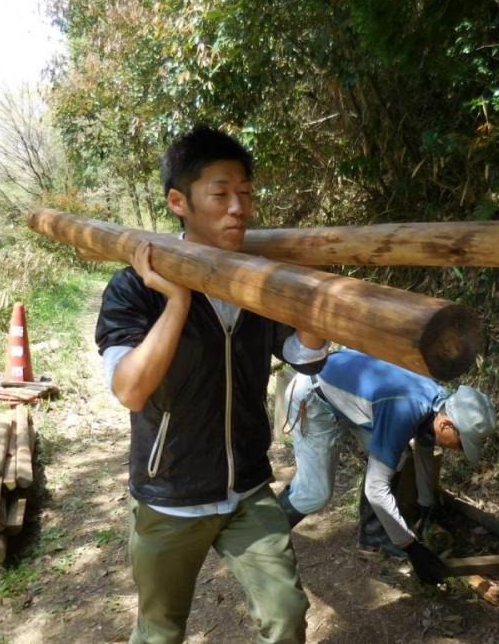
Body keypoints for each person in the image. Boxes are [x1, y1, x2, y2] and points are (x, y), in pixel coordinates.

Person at [95, 125, 328, 644]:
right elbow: (130, 389)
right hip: (170, 495)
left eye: (245, 193)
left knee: (287, 614)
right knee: (159, 631)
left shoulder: (258, 278)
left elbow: (303, 355)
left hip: (247, 488)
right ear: (179, 201)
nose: (238, 208)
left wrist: (310, 294)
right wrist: (177, 301)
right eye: (220, 194)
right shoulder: (135, 287)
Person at [277, 348, 498, 585]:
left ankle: (373, 537)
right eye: (461, 443)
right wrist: (413, 548)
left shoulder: (439, 401)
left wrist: (426, 505)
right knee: (315, 493)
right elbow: (376, 488)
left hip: (344, 393)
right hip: (313, 397)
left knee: (400, 453)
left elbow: (423, 450)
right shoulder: (405, 411)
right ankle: (264, 537)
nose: (459, 449)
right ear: (445, 425)